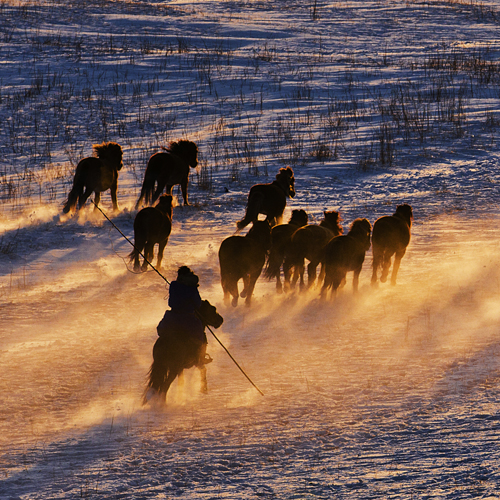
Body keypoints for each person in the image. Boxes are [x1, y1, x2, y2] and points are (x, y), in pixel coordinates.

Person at [157, 266, 212, 364]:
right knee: (200, 333)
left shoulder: (173, 285)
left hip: (172, 317)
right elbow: (198, 304)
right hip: (187, 318)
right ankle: (200, 357)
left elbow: (170, 302)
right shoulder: (192, 287)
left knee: (161, 329)